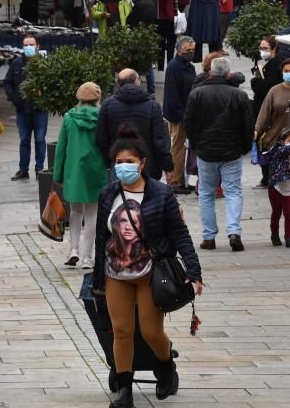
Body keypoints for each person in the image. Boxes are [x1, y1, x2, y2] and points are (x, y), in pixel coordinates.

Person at [92, 128, 203, 407]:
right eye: (118, 162)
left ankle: (166, 366)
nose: (123, 166)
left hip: (149, 273)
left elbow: (179, 233)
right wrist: (96, 278)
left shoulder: (161, 194)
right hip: (115, 272)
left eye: (129, 161)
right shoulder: (108, 194)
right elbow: (100, 238)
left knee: (151, 332)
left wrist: (194, 271)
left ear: (142, 163)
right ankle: (124, 391)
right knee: (122, 332)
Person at [185, 57, 254, 252]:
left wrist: (197, 144)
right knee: (233, 191)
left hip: (206, 151)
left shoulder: (197, 94)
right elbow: (248, 124)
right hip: (231, 151)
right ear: (229, 73)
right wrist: (244, 146)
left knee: (206, 193)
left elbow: (188, 123)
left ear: (210, 72)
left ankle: (208, 236)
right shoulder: (239, 95)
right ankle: (234, 231)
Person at [53, 82, 105, 270]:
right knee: (92, 214)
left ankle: (73, 249)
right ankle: (87, 258)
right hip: (95, 169)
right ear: (98, 99)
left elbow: (61, 148)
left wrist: (57, 173)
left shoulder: (69, 117)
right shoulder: (102, 118)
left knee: (75, 211)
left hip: (73, 169)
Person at [96, 69, 173, 181]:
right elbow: (160, 140)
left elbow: (100, 137)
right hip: (147, 164)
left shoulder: (107, 105)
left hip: (119, 164)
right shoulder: (153, 106)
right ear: (137, 80)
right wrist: (167, 165)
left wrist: (110, 158)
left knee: (120, 196)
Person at [4, 35, 47, 181]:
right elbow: (8, 83)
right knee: (24, 140)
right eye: (26, 45)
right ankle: (23, 169)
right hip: (22, 111)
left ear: (37, 46)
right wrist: (14, 98)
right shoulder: (16, 64)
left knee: (40, 140)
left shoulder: (44, 63)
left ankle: (39, 169)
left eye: (31, 44)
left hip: (40, 111)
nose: (28, 47)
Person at [163, 36, 197, 194]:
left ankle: (181, 179)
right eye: (187, 51)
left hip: (186, 112)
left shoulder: (188, 65)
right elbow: (173, 95)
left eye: (192, 50)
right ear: (178, 50)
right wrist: (182, 116)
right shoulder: (174, 67)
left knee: (182, 148)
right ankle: (175, 181)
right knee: (177, 148)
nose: (191, 53)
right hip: (178, 115)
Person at [250, 40, 286, 187]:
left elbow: (266, 86)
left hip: (270, 111)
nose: (262, 50)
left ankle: (270, 175)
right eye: (261, 48)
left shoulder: (276, 65)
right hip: (261, 107)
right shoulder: (265, 63)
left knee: (266, 143)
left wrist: (254, 82)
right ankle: (266, 176)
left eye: (265, 48)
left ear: (274, 49)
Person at [255, 58, 290, 154]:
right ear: (282, 73)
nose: (288, 73)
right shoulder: (274, 91)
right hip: (274, 140)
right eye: (286, 71)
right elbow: (264, 113)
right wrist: (257, 130)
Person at [125, 0, 159, 95]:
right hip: (150, 36)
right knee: (148, 65)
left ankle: (137, 89)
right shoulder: (151, 2)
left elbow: (130, 21)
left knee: (137, 64)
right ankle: (151, 91)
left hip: (140, 37)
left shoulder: (138, 5)